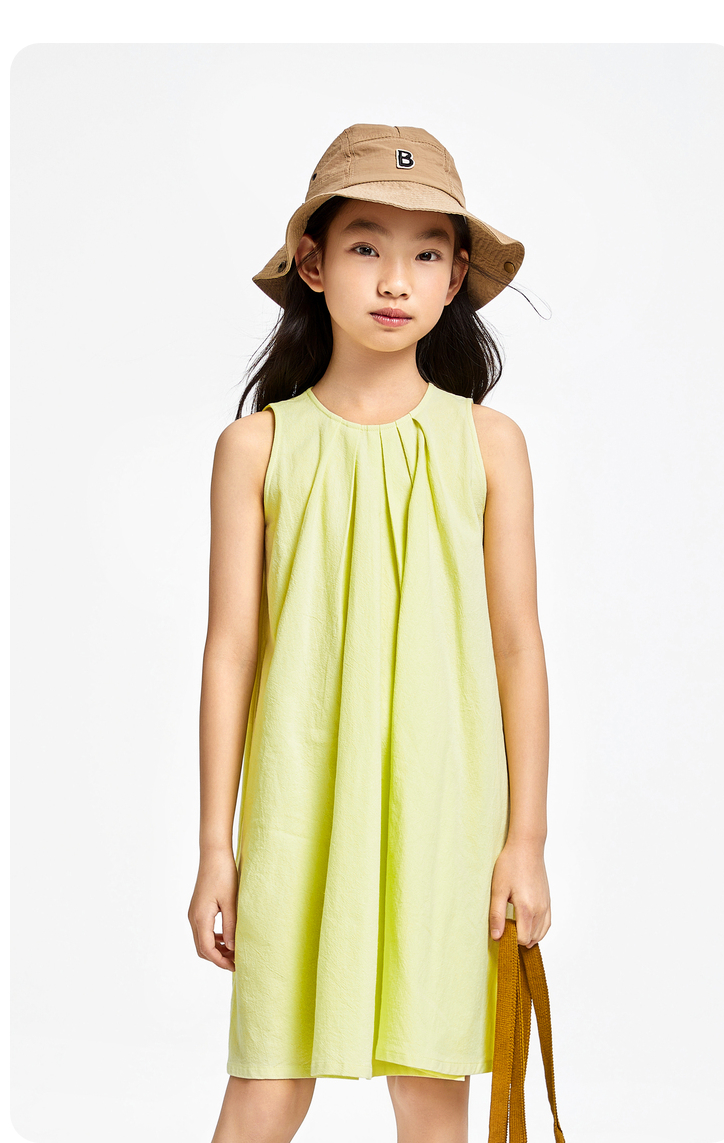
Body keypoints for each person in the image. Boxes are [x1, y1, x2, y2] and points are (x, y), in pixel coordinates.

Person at [188, 123, 554, 1143]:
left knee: (433, 1091)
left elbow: (519, 645)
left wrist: (526, 840)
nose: (396, 279)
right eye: (364, 246)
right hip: (297, 806)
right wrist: (215, 847)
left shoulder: (488, 443)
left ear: (455, 278)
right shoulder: (256, 446)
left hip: (447, 810)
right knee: (268, 1081)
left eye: (427, 252)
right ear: (312, 264)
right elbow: (230, 653)